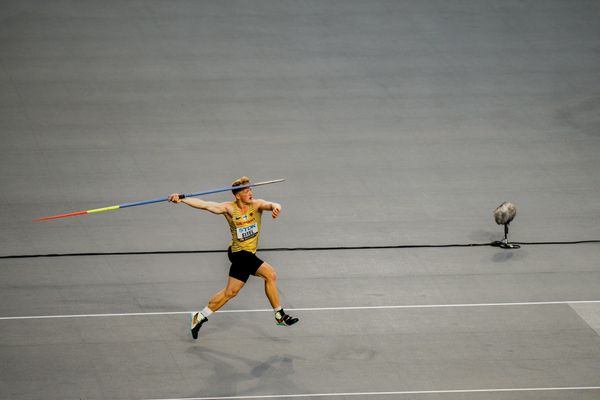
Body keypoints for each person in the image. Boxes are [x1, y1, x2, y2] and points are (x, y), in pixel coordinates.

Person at [168, 176, 299, 339]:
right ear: (238, 195)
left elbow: (271, 204)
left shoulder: (257, 205)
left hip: (247, 255)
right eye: (246, 191)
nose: (250, 192)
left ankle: (199, 316)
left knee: (230, 292)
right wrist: (183, 199)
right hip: (238, 253)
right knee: (270, 274)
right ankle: (280, 315)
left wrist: (277, 207)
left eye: (251, 189)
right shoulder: (229, 208)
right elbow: (206, 205)